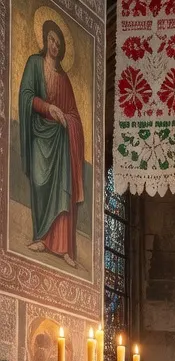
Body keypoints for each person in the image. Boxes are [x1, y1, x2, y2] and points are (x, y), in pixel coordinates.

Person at [19, 20, 85, 267]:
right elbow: (26, 95)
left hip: (60, 143)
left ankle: (64, 248)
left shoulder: (64, 79)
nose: (54, 45)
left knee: (62, 190)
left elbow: (75, 114)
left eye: (58, 42)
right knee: (39, 181)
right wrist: (48, 108)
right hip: (39, 135)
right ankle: (41, 237)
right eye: (51, 40)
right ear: (45, 40)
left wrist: (66, 120)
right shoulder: (34, 64)